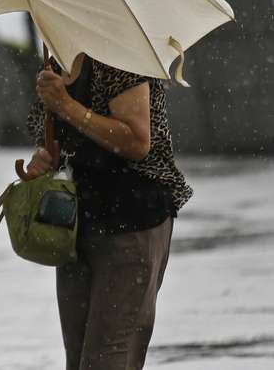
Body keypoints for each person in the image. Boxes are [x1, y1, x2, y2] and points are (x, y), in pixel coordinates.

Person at [24, 52, 191, 370]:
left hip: (132, 221)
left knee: (108, 358)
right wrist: (44, 160)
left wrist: (66, 105)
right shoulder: (57, 62)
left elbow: (137, 141)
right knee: (78, 360)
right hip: (75, 225)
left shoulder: (120, 55)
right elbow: (62, 141)